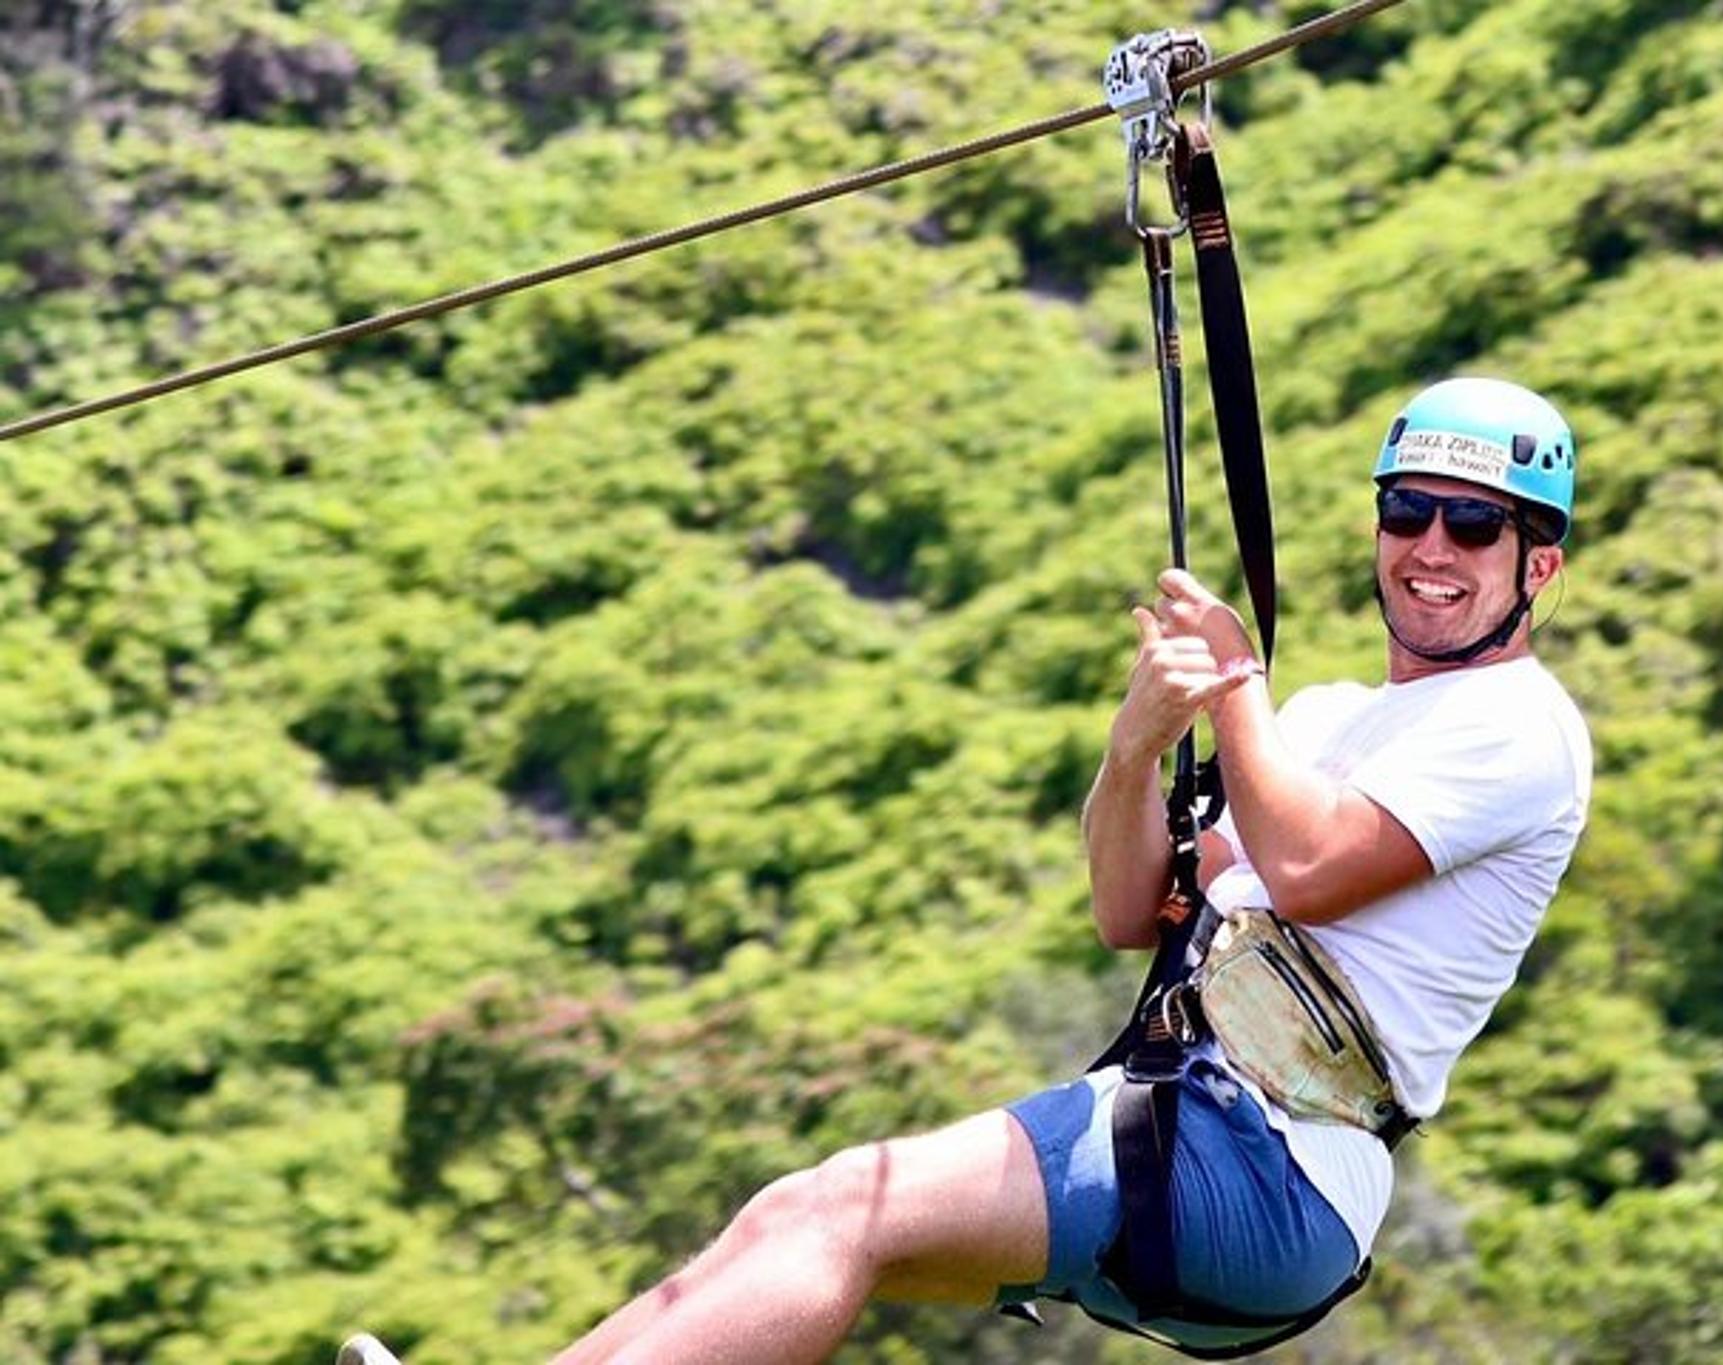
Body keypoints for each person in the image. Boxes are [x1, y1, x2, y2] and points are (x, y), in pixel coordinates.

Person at [511, 375, 1594, 1364]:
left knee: (841, 1210)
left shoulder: (1519, 727)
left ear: (1535, 565)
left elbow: (1306, 866)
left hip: (1273, 1165)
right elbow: (1133, 907)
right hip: (1189, 1119)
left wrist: (1232, 682)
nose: (1430, 548)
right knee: (796, 1216)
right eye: (1406, 513)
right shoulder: (1322, 721)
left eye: (1473, 525)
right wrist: (1131, 749)